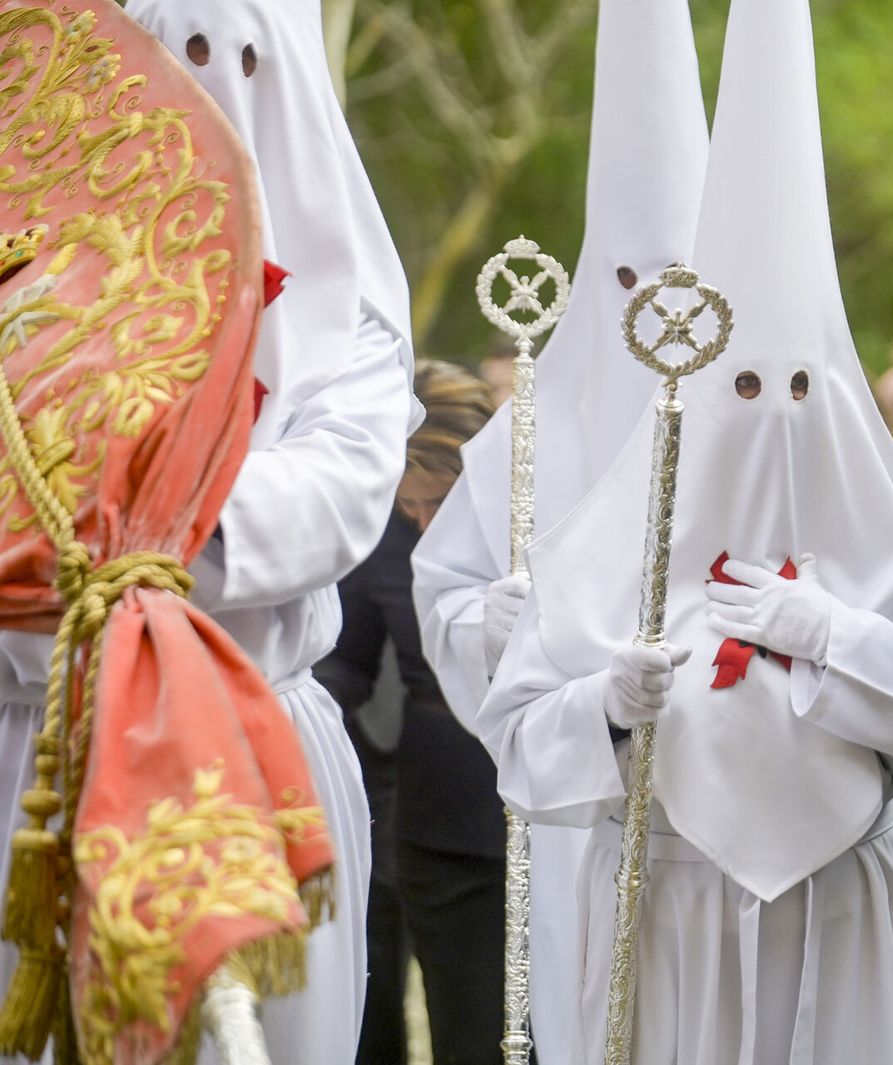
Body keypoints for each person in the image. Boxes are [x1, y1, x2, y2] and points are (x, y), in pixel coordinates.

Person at [474, 0, 893, 1060]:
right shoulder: (607, 560)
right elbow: (522, 753)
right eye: (747, 387)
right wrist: (608, 708)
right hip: (664, 908)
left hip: (845, 907)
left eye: (801, 387)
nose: (774, 412)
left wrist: (836, 635)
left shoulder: (882, 555)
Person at [410, 0, 711, 1060]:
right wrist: (486, 621)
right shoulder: (519, 439)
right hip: (574, 811)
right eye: (630, 291)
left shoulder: (755, 420)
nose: (654, 329)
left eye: (676, 294)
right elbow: (440, 592)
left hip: (720, 817)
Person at [125, 2, 420, 1062]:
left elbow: (339, 488)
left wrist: (141, 524)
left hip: (252, 740)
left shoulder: (348, 319)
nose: (194, 96)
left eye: (223, 58)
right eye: (160, 55)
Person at [321, 361, 505, 1065]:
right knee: (468, 1028)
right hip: (443, 814)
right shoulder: (389, 535)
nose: (426, 524)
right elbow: (348, 661)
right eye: (410, 505)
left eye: (442, 501)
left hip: (560, 803)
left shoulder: (549, 517)